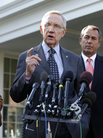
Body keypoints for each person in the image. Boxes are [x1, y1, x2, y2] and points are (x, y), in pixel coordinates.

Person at [10, 10, 89, 138]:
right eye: (47, 25)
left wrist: (83, 122)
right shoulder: (27, 57)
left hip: (67, 127)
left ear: (63, 32)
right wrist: (27, 74)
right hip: (38, 126)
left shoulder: (75, 60)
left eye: (56, 26)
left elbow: (82, 95)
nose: (51, 29)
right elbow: (16, 96)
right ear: (41, 29)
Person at [79, 25, 103, 138]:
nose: (89, 41)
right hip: (76, 126)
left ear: (99, 43)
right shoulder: (70, 64)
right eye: (86, 37)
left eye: (93, 38)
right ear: (80, 40)